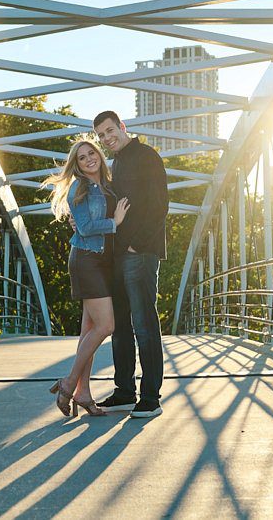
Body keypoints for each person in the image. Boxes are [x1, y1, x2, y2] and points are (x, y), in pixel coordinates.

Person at [43, 139, 130, 418]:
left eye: (92, 153)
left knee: (88, 332)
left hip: (103, 262)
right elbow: (86, 226)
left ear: (100, 156)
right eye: (82, 157)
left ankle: (83, 392)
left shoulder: (108, 184)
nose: (89, 158)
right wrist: (114, 223)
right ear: (77, 165)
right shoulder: (79, 188)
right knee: (106, 325)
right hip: (86, 261)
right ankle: (69, 383)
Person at [93, 110, 168, 419]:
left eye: (111, 131)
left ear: (122, 127)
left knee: (144, 324)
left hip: (140, 253)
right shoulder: (117, 162)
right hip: (118, 255)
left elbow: (159, 204)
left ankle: (151, 397)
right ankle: (125, 391)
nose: (107, 138)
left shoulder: (147, 156)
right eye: (101, 136)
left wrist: (139, 243)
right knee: (120, 326)